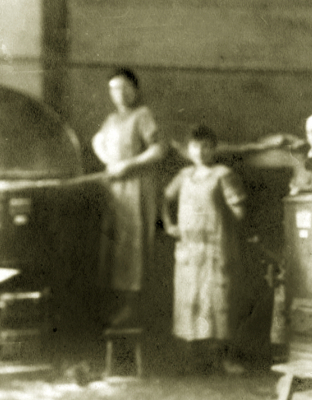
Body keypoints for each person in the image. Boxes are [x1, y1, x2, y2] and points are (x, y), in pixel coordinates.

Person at [161, 125, 248, 374]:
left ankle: (225, 358)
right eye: (195, 146)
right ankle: (194, 360)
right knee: (191, 301)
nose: (200, 151)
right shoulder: (184, 175)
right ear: (188, 150)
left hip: (216, 249)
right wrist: (169, 225)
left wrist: (221, 223)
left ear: (214, 148)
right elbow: (165, 198)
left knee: (218, 302)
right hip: (189, 252)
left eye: (206, 146)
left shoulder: (223, 174)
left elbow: (239, 212)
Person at [91, 68, 167, 327]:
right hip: (115, 190)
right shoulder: (111, 120)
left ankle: (133, 308)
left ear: (135, 90)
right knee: (114, 246)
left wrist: (128, 165)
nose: (119, 94)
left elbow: (159, 150)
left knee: (133, 248)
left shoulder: (143, 115)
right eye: (114, 89)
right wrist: (108, 160)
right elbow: (98, 141)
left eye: (124, 88)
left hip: (136, 188)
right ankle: (117, 306)